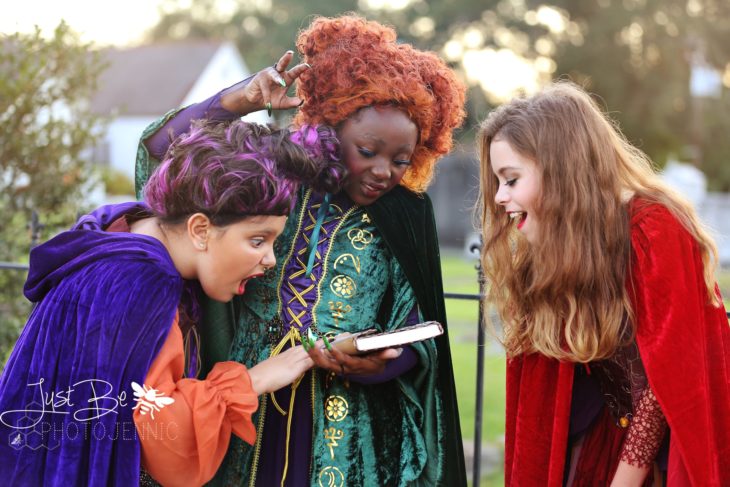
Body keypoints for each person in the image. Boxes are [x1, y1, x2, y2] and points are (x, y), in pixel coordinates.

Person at [135, 14, 467, 487]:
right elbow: (162, 151)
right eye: (368, 150)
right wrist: (238, 99)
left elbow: (418, 334)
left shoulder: (405, 217)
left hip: (346, 427)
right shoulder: (274, 182)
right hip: (249, 396)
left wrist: (378, 363)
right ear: (332, 130)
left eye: (400, 160)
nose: (383, 171)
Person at [0, 120, 345, 486]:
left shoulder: (121, 232)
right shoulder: (143, 284)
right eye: (258, 240)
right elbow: (165, 441)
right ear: (200, 229)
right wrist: (253, 381)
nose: (270, 260)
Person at [477, 81, 730, 486]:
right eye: (498, 182)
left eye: (511, 179)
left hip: (663, 456)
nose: (500, 198)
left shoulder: (654, 228)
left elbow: (666, 380)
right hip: (602, 439)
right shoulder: (558, 247)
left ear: (560, 169)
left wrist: (625, 479)